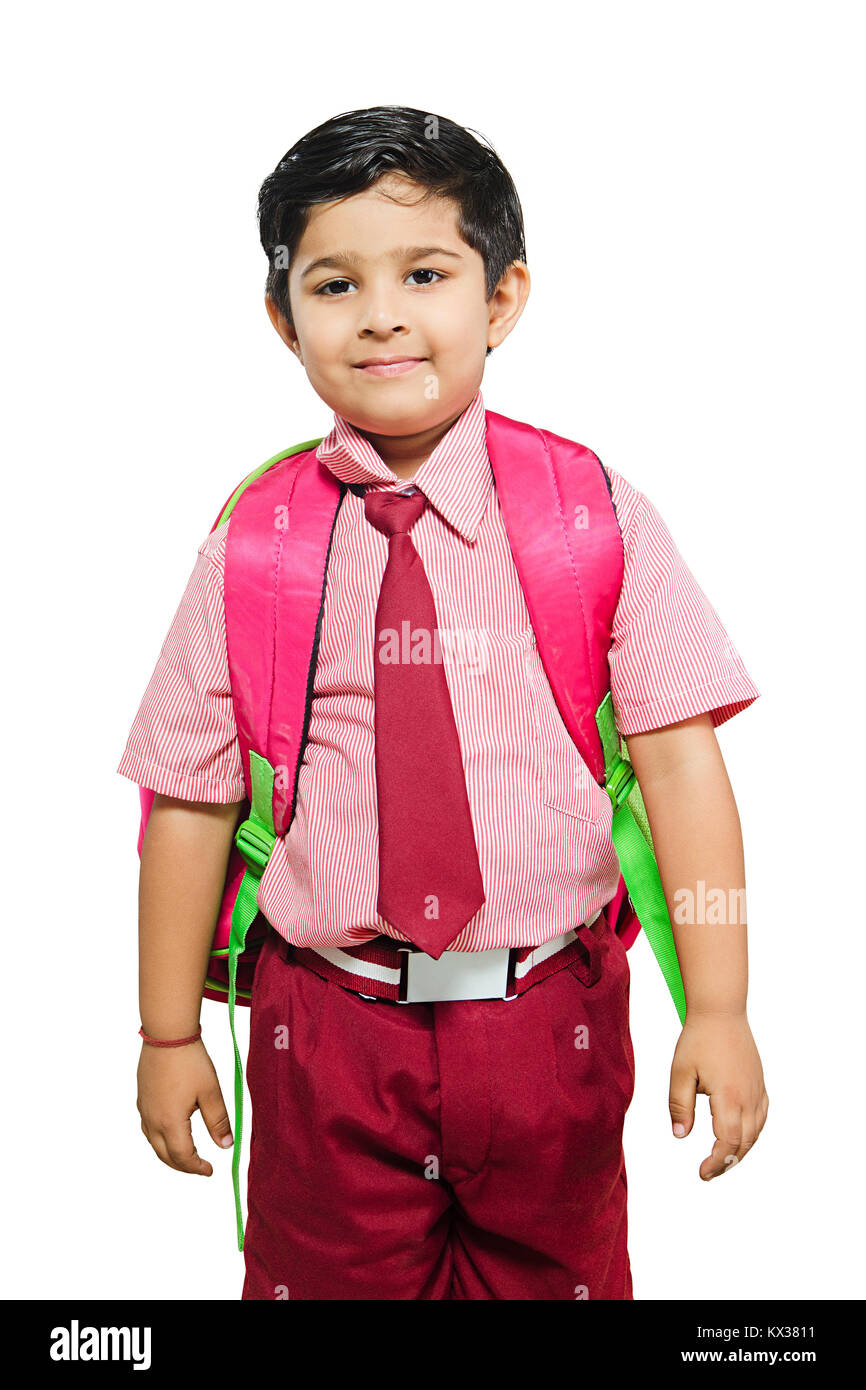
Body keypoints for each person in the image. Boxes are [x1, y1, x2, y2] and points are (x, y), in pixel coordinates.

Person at [117, 105, 768, 1300]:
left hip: (547, 1024)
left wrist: (716, 1008)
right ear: (281, 317)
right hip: (327, 1028)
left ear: (502, 296)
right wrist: (168, 1033)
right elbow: (190, 799)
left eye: (424, 272)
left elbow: (680, 768)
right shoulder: (254, 543)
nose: (381, 315)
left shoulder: (589, 516)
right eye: (332, 283)